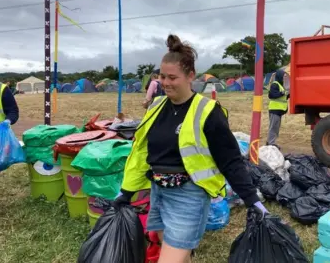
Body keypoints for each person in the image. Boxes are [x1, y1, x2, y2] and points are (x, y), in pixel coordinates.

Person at [114, 34, 268, 263]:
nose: (165, 83)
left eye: (172, 77)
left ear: (190, 76)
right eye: (162, 76)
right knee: (178, 255)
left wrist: (251, 198)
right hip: (158, 193)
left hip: (189, 197)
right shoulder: (156, 106)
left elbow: (230, 160)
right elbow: (143, 153)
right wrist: (126, 192)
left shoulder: (208, 111)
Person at [266, 69, 289, 148]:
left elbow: (284, 97)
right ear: (279, 76)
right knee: (273, 127)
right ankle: (271, 143)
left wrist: (288, 94)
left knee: (275, 127)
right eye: (283, 76)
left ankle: (271, 142)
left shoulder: (281, 85)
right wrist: (283, 93)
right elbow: (272, 95)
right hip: (275, 110)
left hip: (279, 111)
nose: (284, 78)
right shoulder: (275, 84)